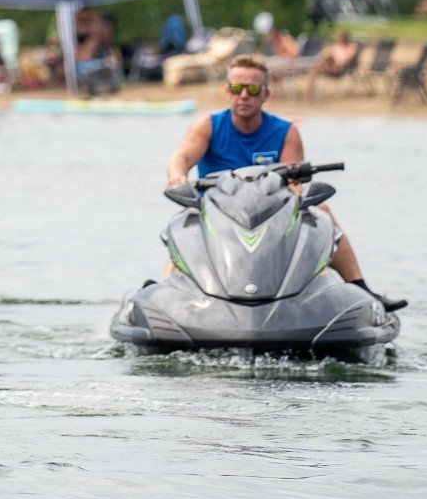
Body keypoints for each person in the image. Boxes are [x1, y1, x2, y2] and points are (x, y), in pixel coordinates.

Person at [167, 55, 403, 311]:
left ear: (266, 93)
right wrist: (177, 176)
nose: (244, 95)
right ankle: (167, 290)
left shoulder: (286, 132)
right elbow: (181, 157)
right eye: (237, 88)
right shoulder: (208, 126)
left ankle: (360, 288)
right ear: (227, 91)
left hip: (270, 211)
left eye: (253, 89)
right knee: (185, 219)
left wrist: (299, 194)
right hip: (215, 210)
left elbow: (295, 185)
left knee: (321, 211)